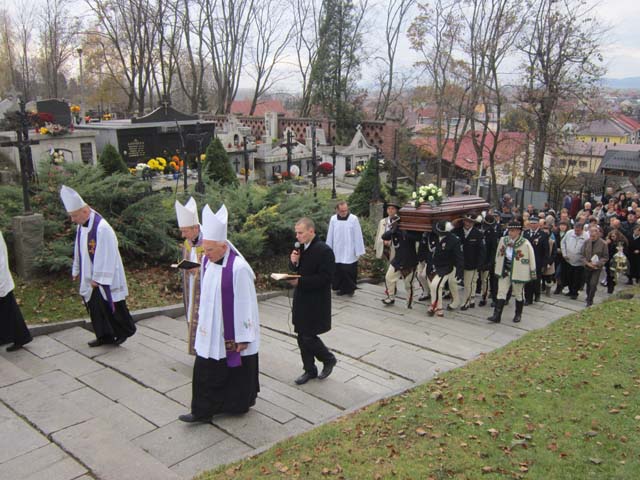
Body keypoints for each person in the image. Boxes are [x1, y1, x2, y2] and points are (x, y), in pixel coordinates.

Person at [179, 204, 260, 422]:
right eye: (205, 249)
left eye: (210, 250)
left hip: (231, 332)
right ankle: (202, 411)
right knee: (205, 369)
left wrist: (243, 337)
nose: (206, 254)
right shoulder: (207, 260)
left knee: (231, 371)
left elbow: (245, 304)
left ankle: (234, 405)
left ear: (224, 247)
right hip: (210, 329)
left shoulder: (239, 268)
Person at [60, 185, 136, 347]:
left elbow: (107, 255)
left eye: (74, 216)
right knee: (95, 309)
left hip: (103, 277)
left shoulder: (102, 228)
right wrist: (77, 269)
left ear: (85, 211)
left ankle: (123, 332)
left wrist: (99, 278)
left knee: (111, 306)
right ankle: (104, 336)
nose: (72, 220)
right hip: (89, 276)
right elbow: (78, 248)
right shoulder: (82, 225)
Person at [289, 217, 337, 385]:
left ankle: (328, 358)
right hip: (301, 298)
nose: (297, 236)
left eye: (300, 233)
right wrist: (293, 263)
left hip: (316, 301)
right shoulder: (301, 248)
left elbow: (326, 278)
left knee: (308, 336)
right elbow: (298, 270)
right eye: (296, 233)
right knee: (301, 336)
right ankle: (309, 369)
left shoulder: (324, 251)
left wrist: (300, 281)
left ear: (311, 231)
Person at [488, 218, 537, 324]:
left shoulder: (525, 243)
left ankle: (518, 314)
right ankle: (497, 315)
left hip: (518, 272)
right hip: (504, 270)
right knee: (501, 292)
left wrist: (532, 272)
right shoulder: (503, 240)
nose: (510, 233)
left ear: (519, 231)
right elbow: (498, 254)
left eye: (513, 231)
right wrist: (497, 265)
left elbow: (532, 258)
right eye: (509, 230)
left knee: (519, 293)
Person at [175, 197, 204, 355]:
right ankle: (196, 348)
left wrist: (198, 271)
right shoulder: (188, 242)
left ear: (195, 228)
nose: (182, 234)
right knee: (191, 314)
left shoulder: (208, 243)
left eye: (185, 231)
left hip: (203, 291)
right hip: (190, 289)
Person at [0, 230, 32, 352]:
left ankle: (22, 337)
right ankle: (4, 337)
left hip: (1, 280)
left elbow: (1, 259)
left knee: (9, 310)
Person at [326, 201, 365, 296]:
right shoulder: (333, 219)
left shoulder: (353, 219)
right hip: (337, 249)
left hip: (350, 249)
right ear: (337, 210)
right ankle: (340, 288)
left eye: (346, 210)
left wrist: (358, 250)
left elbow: (358, 235)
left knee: (348, 269)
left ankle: (350, 289)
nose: (344, 212)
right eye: (342, 211)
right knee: (338, 269)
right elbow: (330, 234)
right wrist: (328, 249)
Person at [426, 221, 464, 317]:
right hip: (434, 265)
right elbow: (431, 253)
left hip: (446, 267)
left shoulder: (454, 240)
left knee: (436, 285)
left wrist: (460, 272)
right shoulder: (433, 236)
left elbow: (459, 257)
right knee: (433, 287)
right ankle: (438, 308)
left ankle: (434, 306)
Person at [381, 220, 420, 308]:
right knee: (388, 277)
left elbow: (418, 238)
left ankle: (409, 303)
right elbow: (384, 236)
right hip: (397, 261)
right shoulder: (394, 232)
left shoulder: (410, 231)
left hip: (410, 262)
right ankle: (390, 297)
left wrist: (405, 232)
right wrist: (394, 230)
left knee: (408, 285)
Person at [454, 214, 485, 310]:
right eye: (466, 221)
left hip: (471, 263)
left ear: (474, 223)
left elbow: (482, 251)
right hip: (457, 262)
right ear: (463, 221)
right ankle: (455, 300)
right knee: (453, 282)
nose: (468, 223)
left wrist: (479, 265)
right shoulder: (456, 232)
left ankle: (466, 302)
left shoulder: (478, 234)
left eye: (471, 221)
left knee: (468, 284)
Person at [523, 216, 549, 304]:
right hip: (526, 261)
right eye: (531, 223)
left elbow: (546, 251)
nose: (533, 225)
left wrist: (545, 264)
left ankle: (537, 294)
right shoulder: (525, 233)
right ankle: (528, 298)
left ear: (538, 224)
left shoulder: (543, 235)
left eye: (535, 223)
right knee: (528, 280)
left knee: (536, 280)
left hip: (538, 261)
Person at [580, 225, 608, 307]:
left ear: (598, 234)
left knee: (593, 283)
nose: (592, 237)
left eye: (594, 236)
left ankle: (590, 300)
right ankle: (588, 295)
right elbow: (582, 255)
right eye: (591, 235)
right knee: (588, 283)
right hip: (587, 266)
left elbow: (605, 257)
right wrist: (587, 263)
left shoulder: (603, 244)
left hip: (596, 268)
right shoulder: (586, 242)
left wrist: (598, 263)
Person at [560, 222, 589, 300]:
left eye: (578, 231)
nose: (576, 232)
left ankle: (575, 292)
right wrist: (564, 254)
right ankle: (570, 290)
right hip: (569, 260)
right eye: (575, 230)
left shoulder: (586, 236)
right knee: (569, 277)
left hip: (579, 262)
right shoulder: (569, 233)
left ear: (582, 230)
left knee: (577, 278)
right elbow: (563, 242)